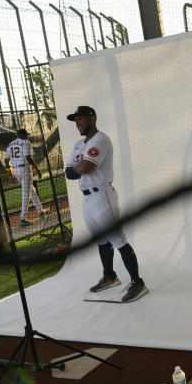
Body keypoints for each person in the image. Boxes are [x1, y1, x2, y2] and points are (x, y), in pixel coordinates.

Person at [64, 105, 148, 303]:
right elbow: (69, 173)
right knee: (101, 240)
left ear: (92, 119)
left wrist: (79, 166)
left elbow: (84, 166)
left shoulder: (101, 139)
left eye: (80, 119)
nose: (77, 123)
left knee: (118, 239)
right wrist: (79, 167)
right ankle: (110, 276)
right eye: (75, 119)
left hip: (103, 196)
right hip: (86, 198)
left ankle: (138, 282)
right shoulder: (78, 144)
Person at [4, 128, 49, 227]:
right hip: (25, 170)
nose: (27, 136)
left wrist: (10, 175)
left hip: (15, 171)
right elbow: (28, 158)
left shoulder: (10, 144)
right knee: (26, 193)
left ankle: (41, 211)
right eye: (26, 135)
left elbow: (6, 161)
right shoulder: (26, 142)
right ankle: (22, 218)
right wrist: (37, 170)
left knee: (31, 190)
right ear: (22, 135)